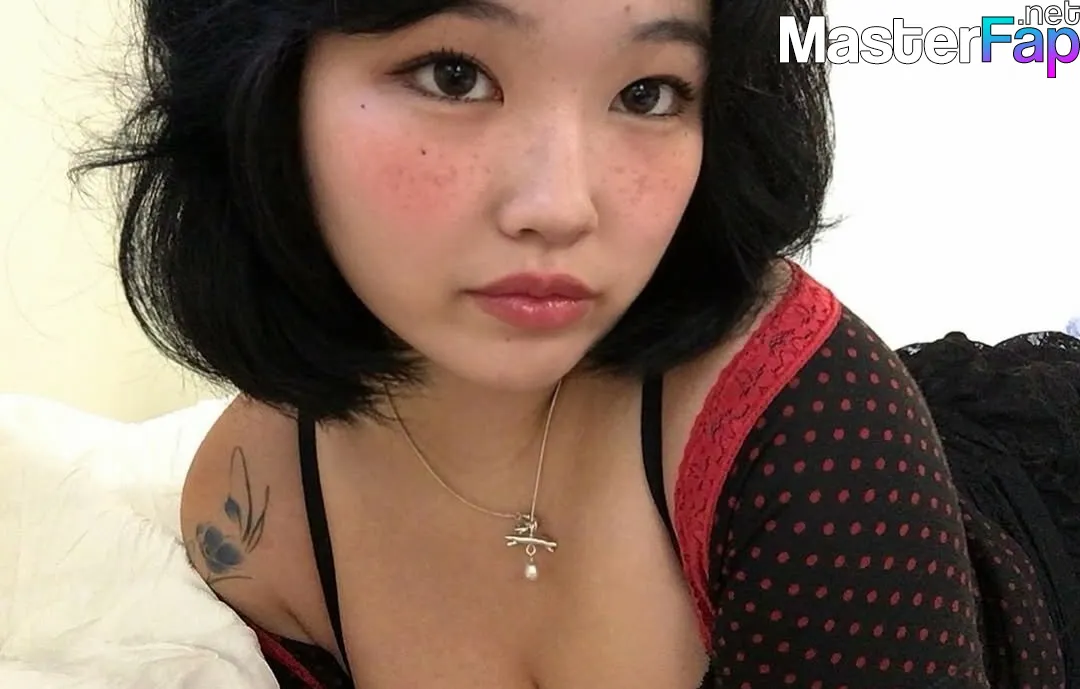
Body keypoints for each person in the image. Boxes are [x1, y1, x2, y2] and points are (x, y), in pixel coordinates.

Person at [73, 0, 1070, 687]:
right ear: (264, 88)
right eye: (454, 75)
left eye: (649, 94)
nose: (560, 205)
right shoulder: (255, 518)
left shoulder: (810, 434)